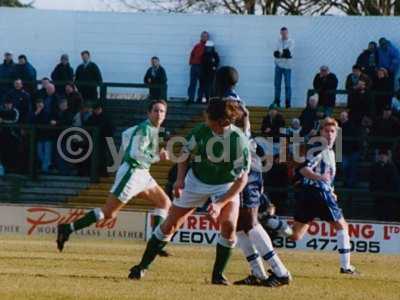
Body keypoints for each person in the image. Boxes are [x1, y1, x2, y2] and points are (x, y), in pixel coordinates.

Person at [128, 99, 250, 285]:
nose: (205, 118)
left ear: (221, 121)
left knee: (228, 227)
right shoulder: (201, 130)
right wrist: (179, 180)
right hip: (196, 181)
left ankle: (218, 276)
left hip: (226, 184)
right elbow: (184, 155)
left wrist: (218, 204)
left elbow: (242, 180)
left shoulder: (238, 140)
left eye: (209, 117)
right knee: (170, 225)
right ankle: (141, 266)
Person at [57, 100, 171, 253]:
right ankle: (68, 228)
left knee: (164, 203)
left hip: (143, 173)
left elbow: (126, 134)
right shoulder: (145, 129)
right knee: (109, 213)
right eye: (156, 111)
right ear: (148, 113)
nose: (159, 114)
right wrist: (158, 157)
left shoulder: (150, 129)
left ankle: (155, 242)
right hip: (132, 173)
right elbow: (134, 155)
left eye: (162, 111)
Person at [285, 117, 357, 274]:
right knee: (342, 226)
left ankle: (271, 224)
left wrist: (330, 189)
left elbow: (326, 175)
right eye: (326, 131)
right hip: (318, 193)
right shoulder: (320, 148)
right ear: (321, 132)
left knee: (295, 235)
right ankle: (346, 267)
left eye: (333, 131)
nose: (330, 134)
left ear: (337, 133)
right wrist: (321, 180)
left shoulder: (329, 151)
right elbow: (303, 169)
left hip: (308, 194)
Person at [369, 148, 400, 221]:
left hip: (389, 197)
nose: (382, 156)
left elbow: (394, 183)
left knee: (388, 215)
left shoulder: (392, 167)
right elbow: (372, 181)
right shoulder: (374, 167)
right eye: (381, 155)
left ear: (388, 157)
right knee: (378, 215)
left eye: (384, 155)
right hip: (378, 195)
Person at [86, 102, 115, 176]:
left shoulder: (104, 117)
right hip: (98, 141)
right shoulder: (95, 117)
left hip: (103, 141)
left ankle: (103, 172)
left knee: (104, 157)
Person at [339, 111, 361, 188]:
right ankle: (347, 182)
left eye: (344, 116)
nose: (342, 117)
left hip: (353, 150)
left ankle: (350, 183)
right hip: (344, 151)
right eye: (341, 116)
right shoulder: (338, 126)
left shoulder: (352, 126)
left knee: (351, 167)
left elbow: (355, 139)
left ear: (347, 117)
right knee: (344, 167)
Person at [273, 27, 294, 108]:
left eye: (285, 33)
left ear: (287, 33)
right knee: (277, 85)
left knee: (287, 85)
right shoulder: (278, 41)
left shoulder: (291, 41)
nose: (283, 35)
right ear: (280, 33)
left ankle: (287, 103)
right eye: (282, 33)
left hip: (287, 66)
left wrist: (281, 54)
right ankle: (277, 102)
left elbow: (289, 54)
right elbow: (275, 53)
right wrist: (283, 54)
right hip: (278, 65)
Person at [30, 98, 52, 173]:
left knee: (47, 154)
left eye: (41, 103)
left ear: (43, 104)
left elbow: (48, 122)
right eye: (38, 103)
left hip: (47, 136)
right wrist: (36, 113)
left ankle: (45, 169)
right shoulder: (33, 113)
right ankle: (45, 166)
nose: (39, 104)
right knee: (39, 154)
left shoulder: (47, 112)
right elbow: (30, 121)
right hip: (38, 137)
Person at [187, 31, 208, 103]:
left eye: (205, 36)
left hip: (202, 67)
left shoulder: (208, 46)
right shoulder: (197, 45)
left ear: (207, 38)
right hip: (194, 66)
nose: (204, 37)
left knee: (202, 84)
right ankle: (191, 98)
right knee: (192, 83)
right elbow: (192, 54)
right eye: (202, 36)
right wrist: (191, 62)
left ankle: (199, 98)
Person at [0, 98, 20, 172]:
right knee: (3, 152)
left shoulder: (15, 111)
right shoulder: (1, 111)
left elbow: (15, 120)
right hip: (2, 135)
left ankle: (12, 167)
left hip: (12, 134)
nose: (8, 105)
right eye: (6, 104)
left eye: (9, 104)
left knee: (12, 151)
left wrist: (3, 121)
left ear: (12, 104)